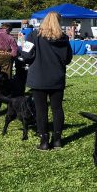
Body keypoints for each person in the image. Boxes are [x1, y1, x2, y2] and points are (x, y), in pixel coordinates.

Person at [21, 11, 73, 150]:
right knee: (57, 109)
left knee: (41, 110)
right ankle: (57, 140)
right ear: (59, 22)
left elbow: (26, 55)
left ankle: (44, 140)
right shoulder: (64, 39)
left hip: (38, 78)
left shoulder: (33, 36)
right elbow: (68, 59)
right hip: (57, 78)